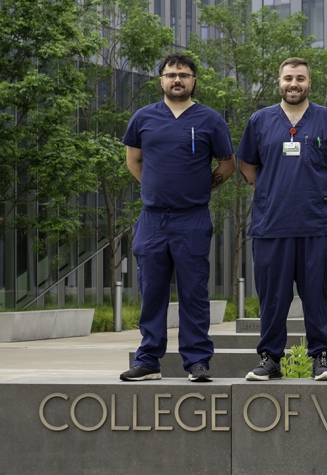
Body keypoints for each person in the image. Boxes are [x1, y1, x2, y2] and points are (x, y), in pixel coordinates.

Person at [121, 53, 235, 382]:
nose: (177, 80)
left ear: (193, 81)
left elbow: (227, 164)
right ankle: (148, 361)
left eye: (183, 75)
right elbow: (134, 161)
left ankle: (197, 362)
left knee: (194, 293)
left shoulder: (211, 120)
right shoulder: (143, 118)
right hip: (153, 219)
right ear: (161, 80)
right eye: (171, 75)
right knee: (151, 291)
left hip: (192, 219)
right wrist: (158, 190)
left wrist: (197, 188)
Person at [237, 57, 327, 382]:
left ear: (309, 83)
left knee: (316, 296)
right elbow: (247, 166)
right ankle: (270, 359)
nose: (294, 84)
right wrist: (271, 191)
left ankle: (321, 359)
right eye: (288, 78)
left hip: (315, 225)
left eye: (300, 78)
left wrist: (316, 193)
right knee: (272, 298)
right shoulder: (260, 121)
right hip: (271, 226)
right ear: (280, 81)